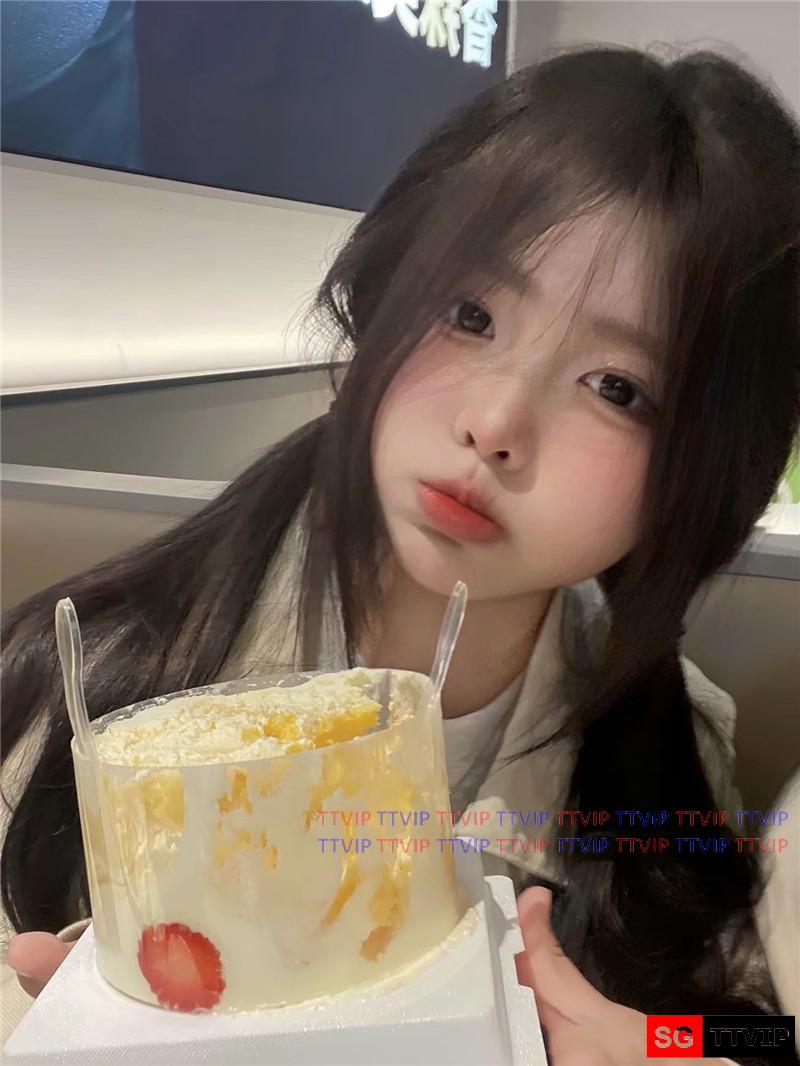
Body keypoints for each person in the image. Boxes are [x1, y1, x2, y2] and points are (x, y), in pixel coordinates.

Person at [2, 45, 798, 1065]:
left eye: (616, 387)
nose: (495, 424)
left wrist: (678, 1046)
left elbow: (753, 1030)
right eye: (470, 315)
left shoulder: (674, 757)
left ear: (704, 472)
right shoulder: (88, 685)